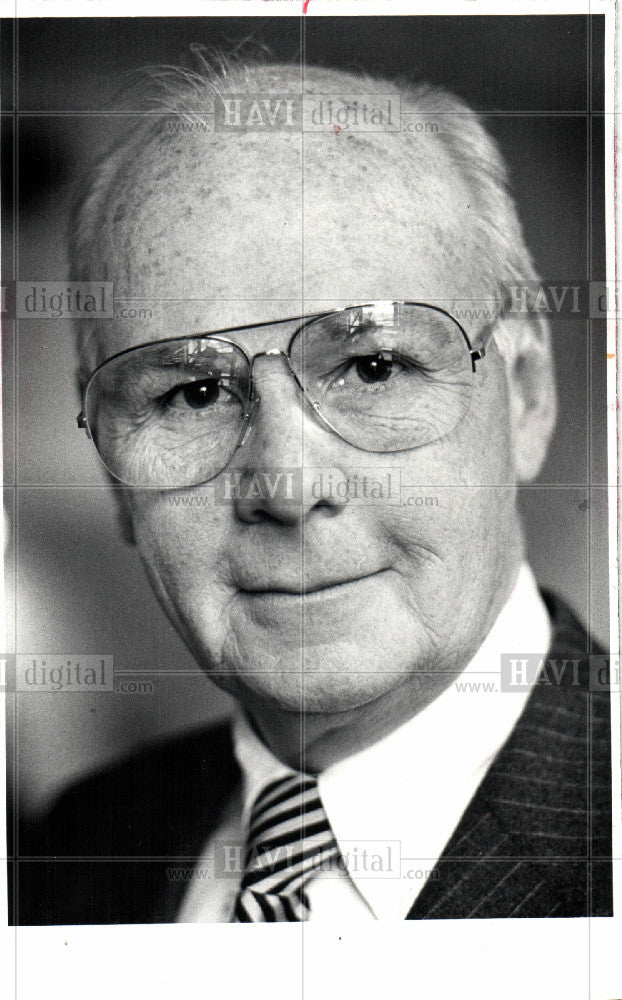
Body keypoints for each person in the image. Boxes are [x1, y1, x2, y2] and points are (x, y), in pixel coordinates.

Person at [14, 58, 612, 923]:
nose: (288, 489)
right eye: (193, 392)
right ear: (107, 459)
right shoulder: (70, 853)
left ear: (525, 395)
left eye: (373, 367)